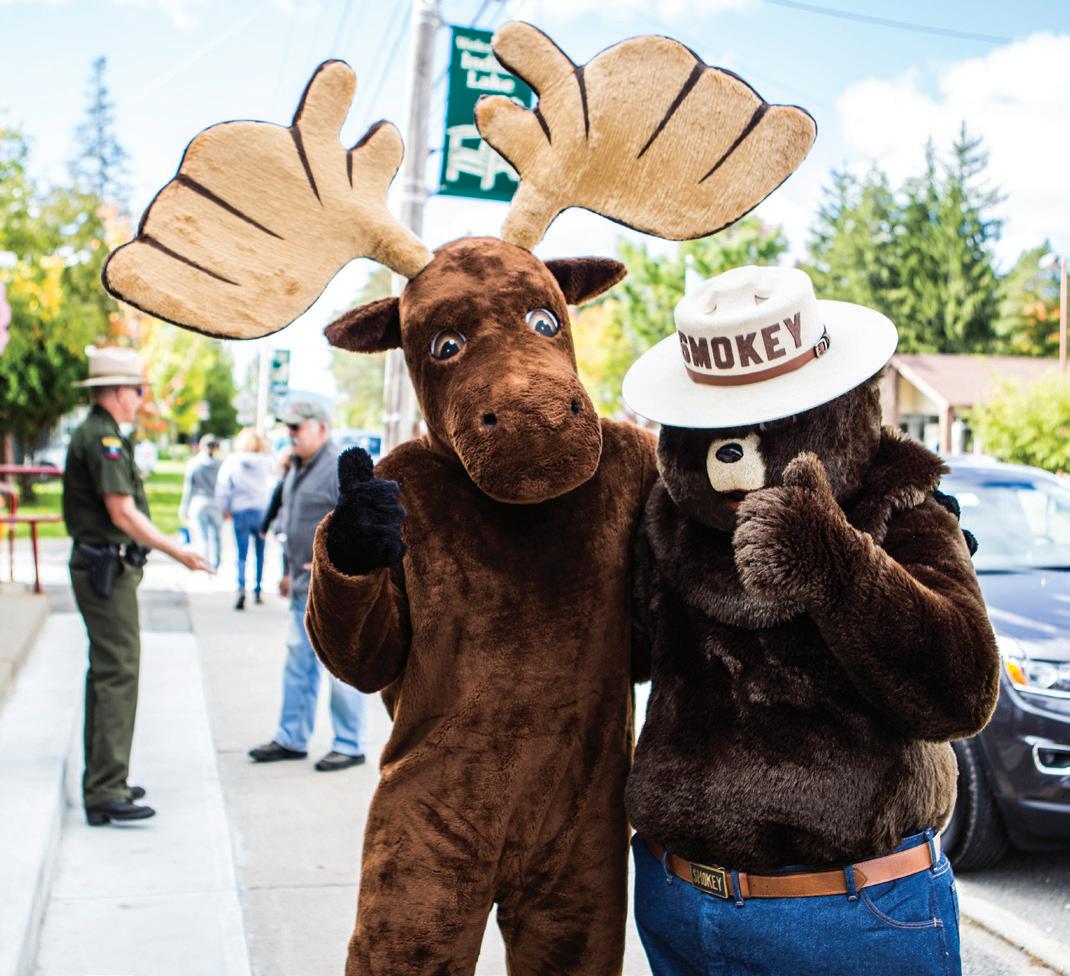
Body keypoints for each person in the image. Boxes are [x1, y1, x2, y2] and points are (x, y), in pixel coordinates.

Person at [63, 346, 213, 827]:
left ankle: (106, 780)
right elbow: (122, 512)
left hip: (105, 568)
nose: (140, 399)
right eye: (138, 391)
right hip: (105, 570)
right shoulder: (103, 438)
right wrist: (177, 551)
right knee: (118, 673)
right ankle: (106, 789)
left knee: (107, 673)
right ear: (117, 392)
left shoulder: (101, 433)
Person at [248, 400, 366, 772]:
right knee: (298, 665)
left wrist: (332, 558)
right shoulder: (297, 466)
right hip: (302, 588)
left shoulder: (340, 468)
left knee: (341, 670)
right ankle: (291, 738)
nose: (291, 433)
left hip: (336, 591)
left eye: (298, 427)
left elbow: (365, 524)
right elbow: (293, 524)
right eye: (289, 427)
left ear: (322, 428)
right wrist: (288, 571)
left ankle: (348, 744)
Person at [215, 428, 275, 609]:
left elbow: (223, 488)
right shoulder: (267, 462)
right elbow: (274, 486)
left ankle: (241, 588)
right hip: (262, 511)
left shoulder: (232, 461)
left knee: (241, 554)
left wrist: (225, 508)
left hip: (240, 511)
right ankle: (258, 590)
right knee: (260, 553)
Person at [178, 434, 223, 571]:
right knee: (217, 536)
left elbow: (188, 488)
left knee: (203, 537)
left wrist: (184, 507)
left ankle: (205, 563)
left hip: (199, 502)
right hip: (216, 503)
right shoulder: (221, 464)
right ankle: (216, 564)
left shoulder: (194, 463)